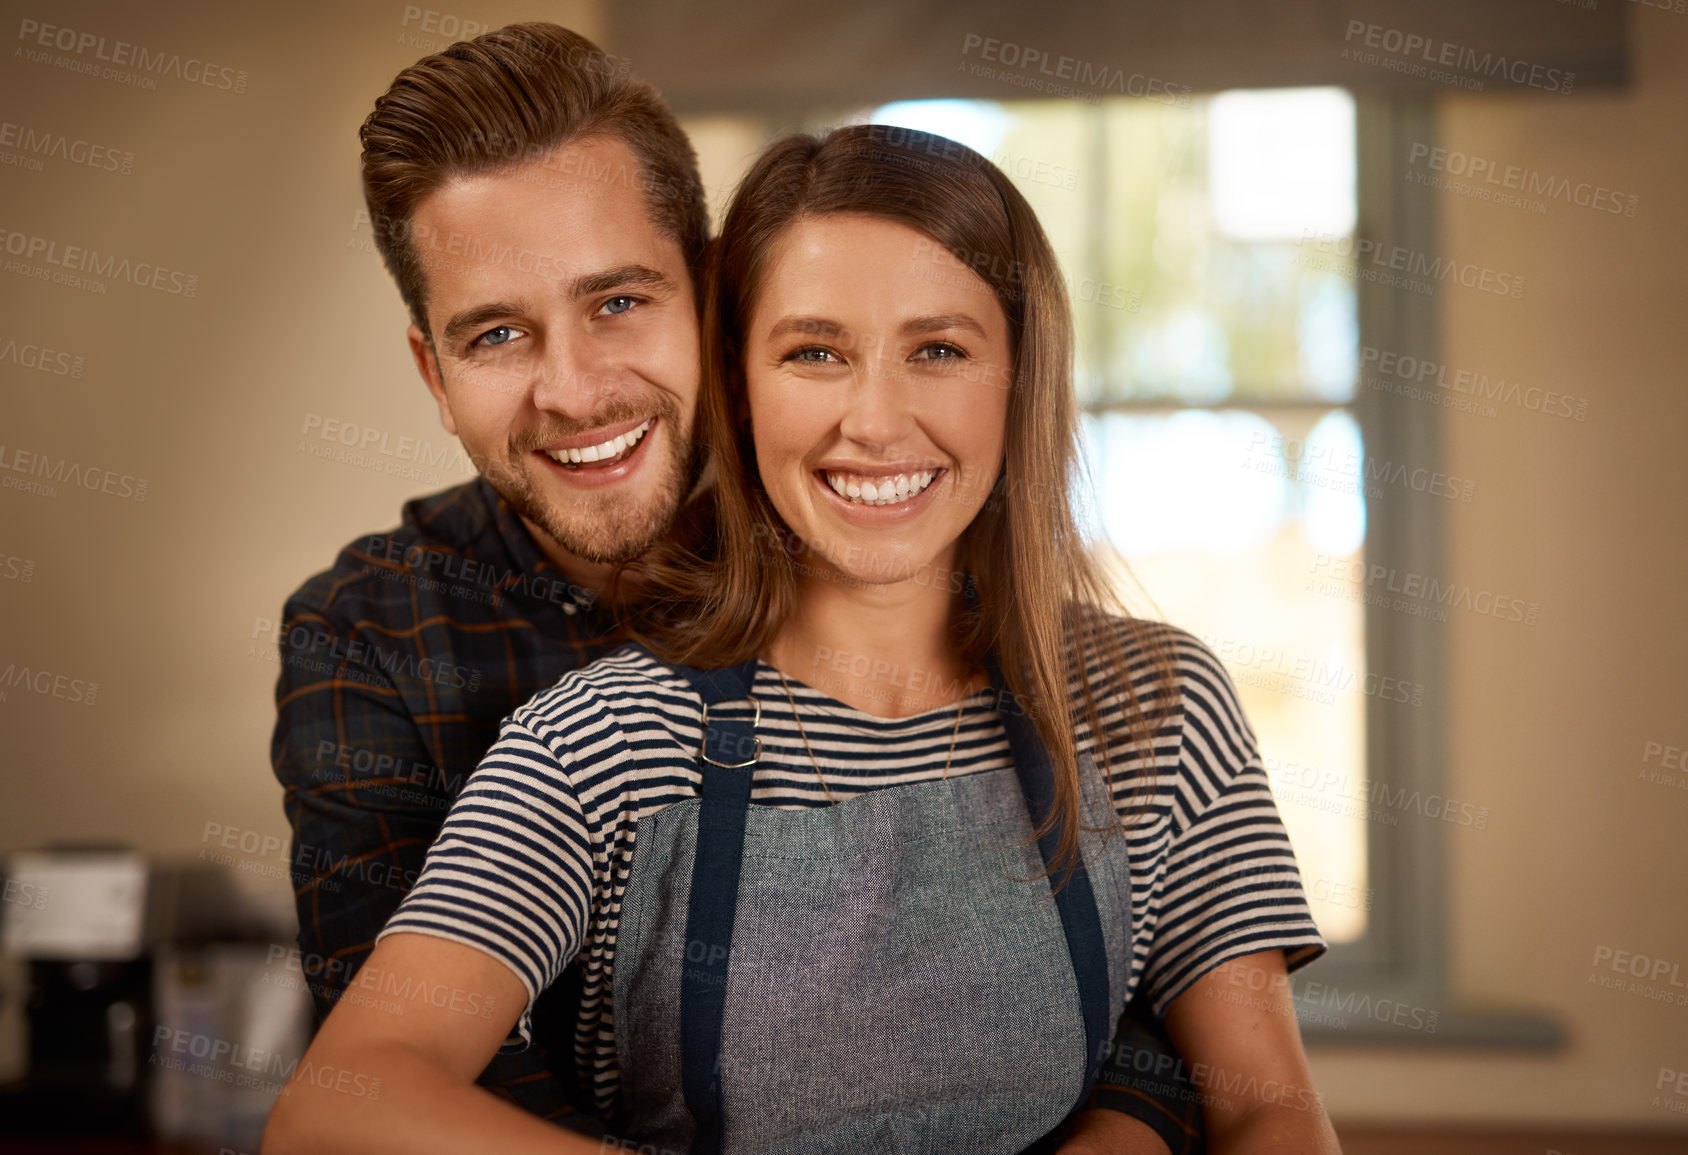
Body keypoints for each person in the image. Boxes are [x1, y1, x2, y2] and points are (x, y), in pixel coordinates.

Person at [263, 120, 1339, 1154]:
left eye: (941, 347)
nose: (873, 420)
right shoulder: (586, 737)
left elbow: (1260, 1107)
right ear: (743, 381)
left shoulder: (1155, 703)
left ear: (1022, 379)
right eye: (815, 352)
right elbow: (351, 1102)